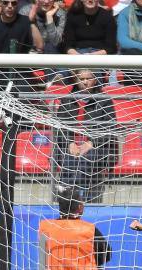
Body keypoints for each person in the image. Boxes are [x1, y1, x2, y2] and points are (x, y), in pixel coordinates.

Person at [53, 69, 117, 203]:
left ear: (95, 80)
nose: (85, 82)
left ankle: (68, 195)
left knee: (85, 159)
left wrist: (91, 143)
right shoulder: (67, 100)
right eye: (82, 79)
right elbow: (60, 127)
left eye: (88, 78)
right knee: (70, 158)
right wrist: (70, 143)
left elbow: (110, 129)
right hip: (71, 145)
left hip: (97, 147)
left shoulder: (105, 100)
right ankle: (72, 198)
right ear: (76, 80)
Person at [38, 187, 111, 270]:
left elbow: (43, 257)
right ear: (80, 207)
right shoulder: (89, 229)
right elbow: (107, 255)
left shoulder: (46, 227)